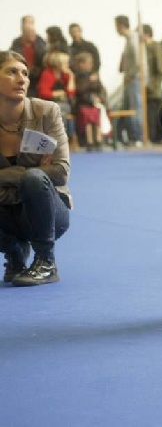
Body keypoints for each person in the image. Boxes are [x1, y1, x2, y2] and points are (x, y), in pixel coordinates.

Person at [0, 51, 72, 286]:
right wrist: (26, 172)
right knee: (32, 174)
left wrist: (21, 176)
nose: (21, 79)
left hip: (49, 212)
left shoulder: (47, 112)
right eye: (11, 72)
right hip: (6, 212)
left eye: (25, 74)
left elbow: (61, 171)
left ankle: (46, 261)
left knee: (34, 179)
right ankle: (14, 253)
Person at [114, 15, 143, 146]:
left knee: (136, 107)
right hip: (129, 78)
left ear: (121, 25)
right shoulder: (128, 40)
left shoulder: (133, 38)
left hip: (135, 79)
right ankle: (130, 136)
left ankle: (138, 136)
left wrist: (130, 76)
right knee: (128, 107)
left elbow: (139, 61)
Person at [36, 51, 76, 139]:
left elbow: (70, 93)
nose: (67, 65)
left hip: (63, 104)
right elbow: (43, 93)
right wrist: (57, 93)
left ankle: (59, 136)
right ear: (58, 64)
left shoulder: (66, 75)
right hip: (49, 103)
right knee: (57, 110)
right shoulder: (47, 74)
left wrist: (71, 76)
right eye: (65, 63)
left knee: (60, 109)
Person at [73, 52, 107, 151]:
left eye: (91, 63)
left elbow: (100, 88)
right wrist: (89, 80)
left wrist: (99, 98)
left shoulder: (94, 75)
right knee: (87, 115)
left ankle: (98, 139)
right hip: (82, 103)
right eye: (88, 63)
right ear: (81, 64)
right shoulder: (78, 76)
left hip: (93, 102)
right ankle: (89, 141)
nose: (90, 65)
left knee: (97, 112)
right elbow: (79, 90)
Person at [141, 24, 162, 143]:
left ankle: (157, 137)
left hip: (154, 88)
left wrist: (154, 85)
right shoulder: (142, 48)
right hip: (144, 87)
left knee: (155, 112)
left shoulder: (156, 47)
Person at [9, 15, 47, 98]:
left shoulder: (41, 42)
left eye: (33, 33)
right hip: (23, 73)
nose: (32, 35)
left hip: (38, 74)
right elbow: (13, 57)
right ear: (23, 33)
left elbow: (45, 57)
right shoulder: (16, 43)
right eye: (29, 33)